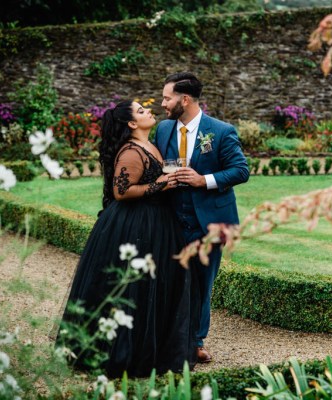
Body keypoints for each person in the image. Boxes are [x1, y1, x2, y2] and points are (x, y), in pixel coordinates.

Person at [57, 100, 199, 378]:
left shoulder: (150, 144)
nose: (149, 111)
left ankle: (150, 349)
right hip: (136, 224)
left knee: (151, 288)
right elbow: (121, 191)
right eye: (141, 111)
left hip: (157, 220)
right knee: (132, 290)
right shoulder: (132, 151)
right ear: (132, 124)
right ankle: (123, 353)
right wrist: (161, 184)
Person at [155, 72, 249, 363]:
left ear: (184, 99)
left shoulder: (220, 131)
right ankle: (167, 338)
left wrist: (203, 179)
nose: (162, 103)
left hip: (209, 222)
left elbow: (240, 170)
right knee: (168, 281)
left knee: (201, 284)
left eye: (167, 98)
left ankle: (195, 341)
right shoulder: (162, 129)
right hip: (170, 219)